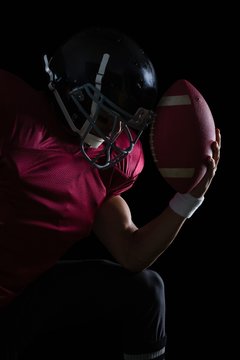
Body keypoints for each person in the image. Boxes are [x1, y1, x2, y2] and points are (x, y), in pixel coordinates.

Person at [0, 27, 221, 360]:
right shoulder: (14, 121)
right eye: (107, 115)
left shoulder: (103, 167)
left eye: (122, 121)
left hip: (17, 302)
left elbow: (132, 251)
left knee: (146, 290)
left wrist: (190, 198)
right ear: (76, 92)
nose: (116, 132)